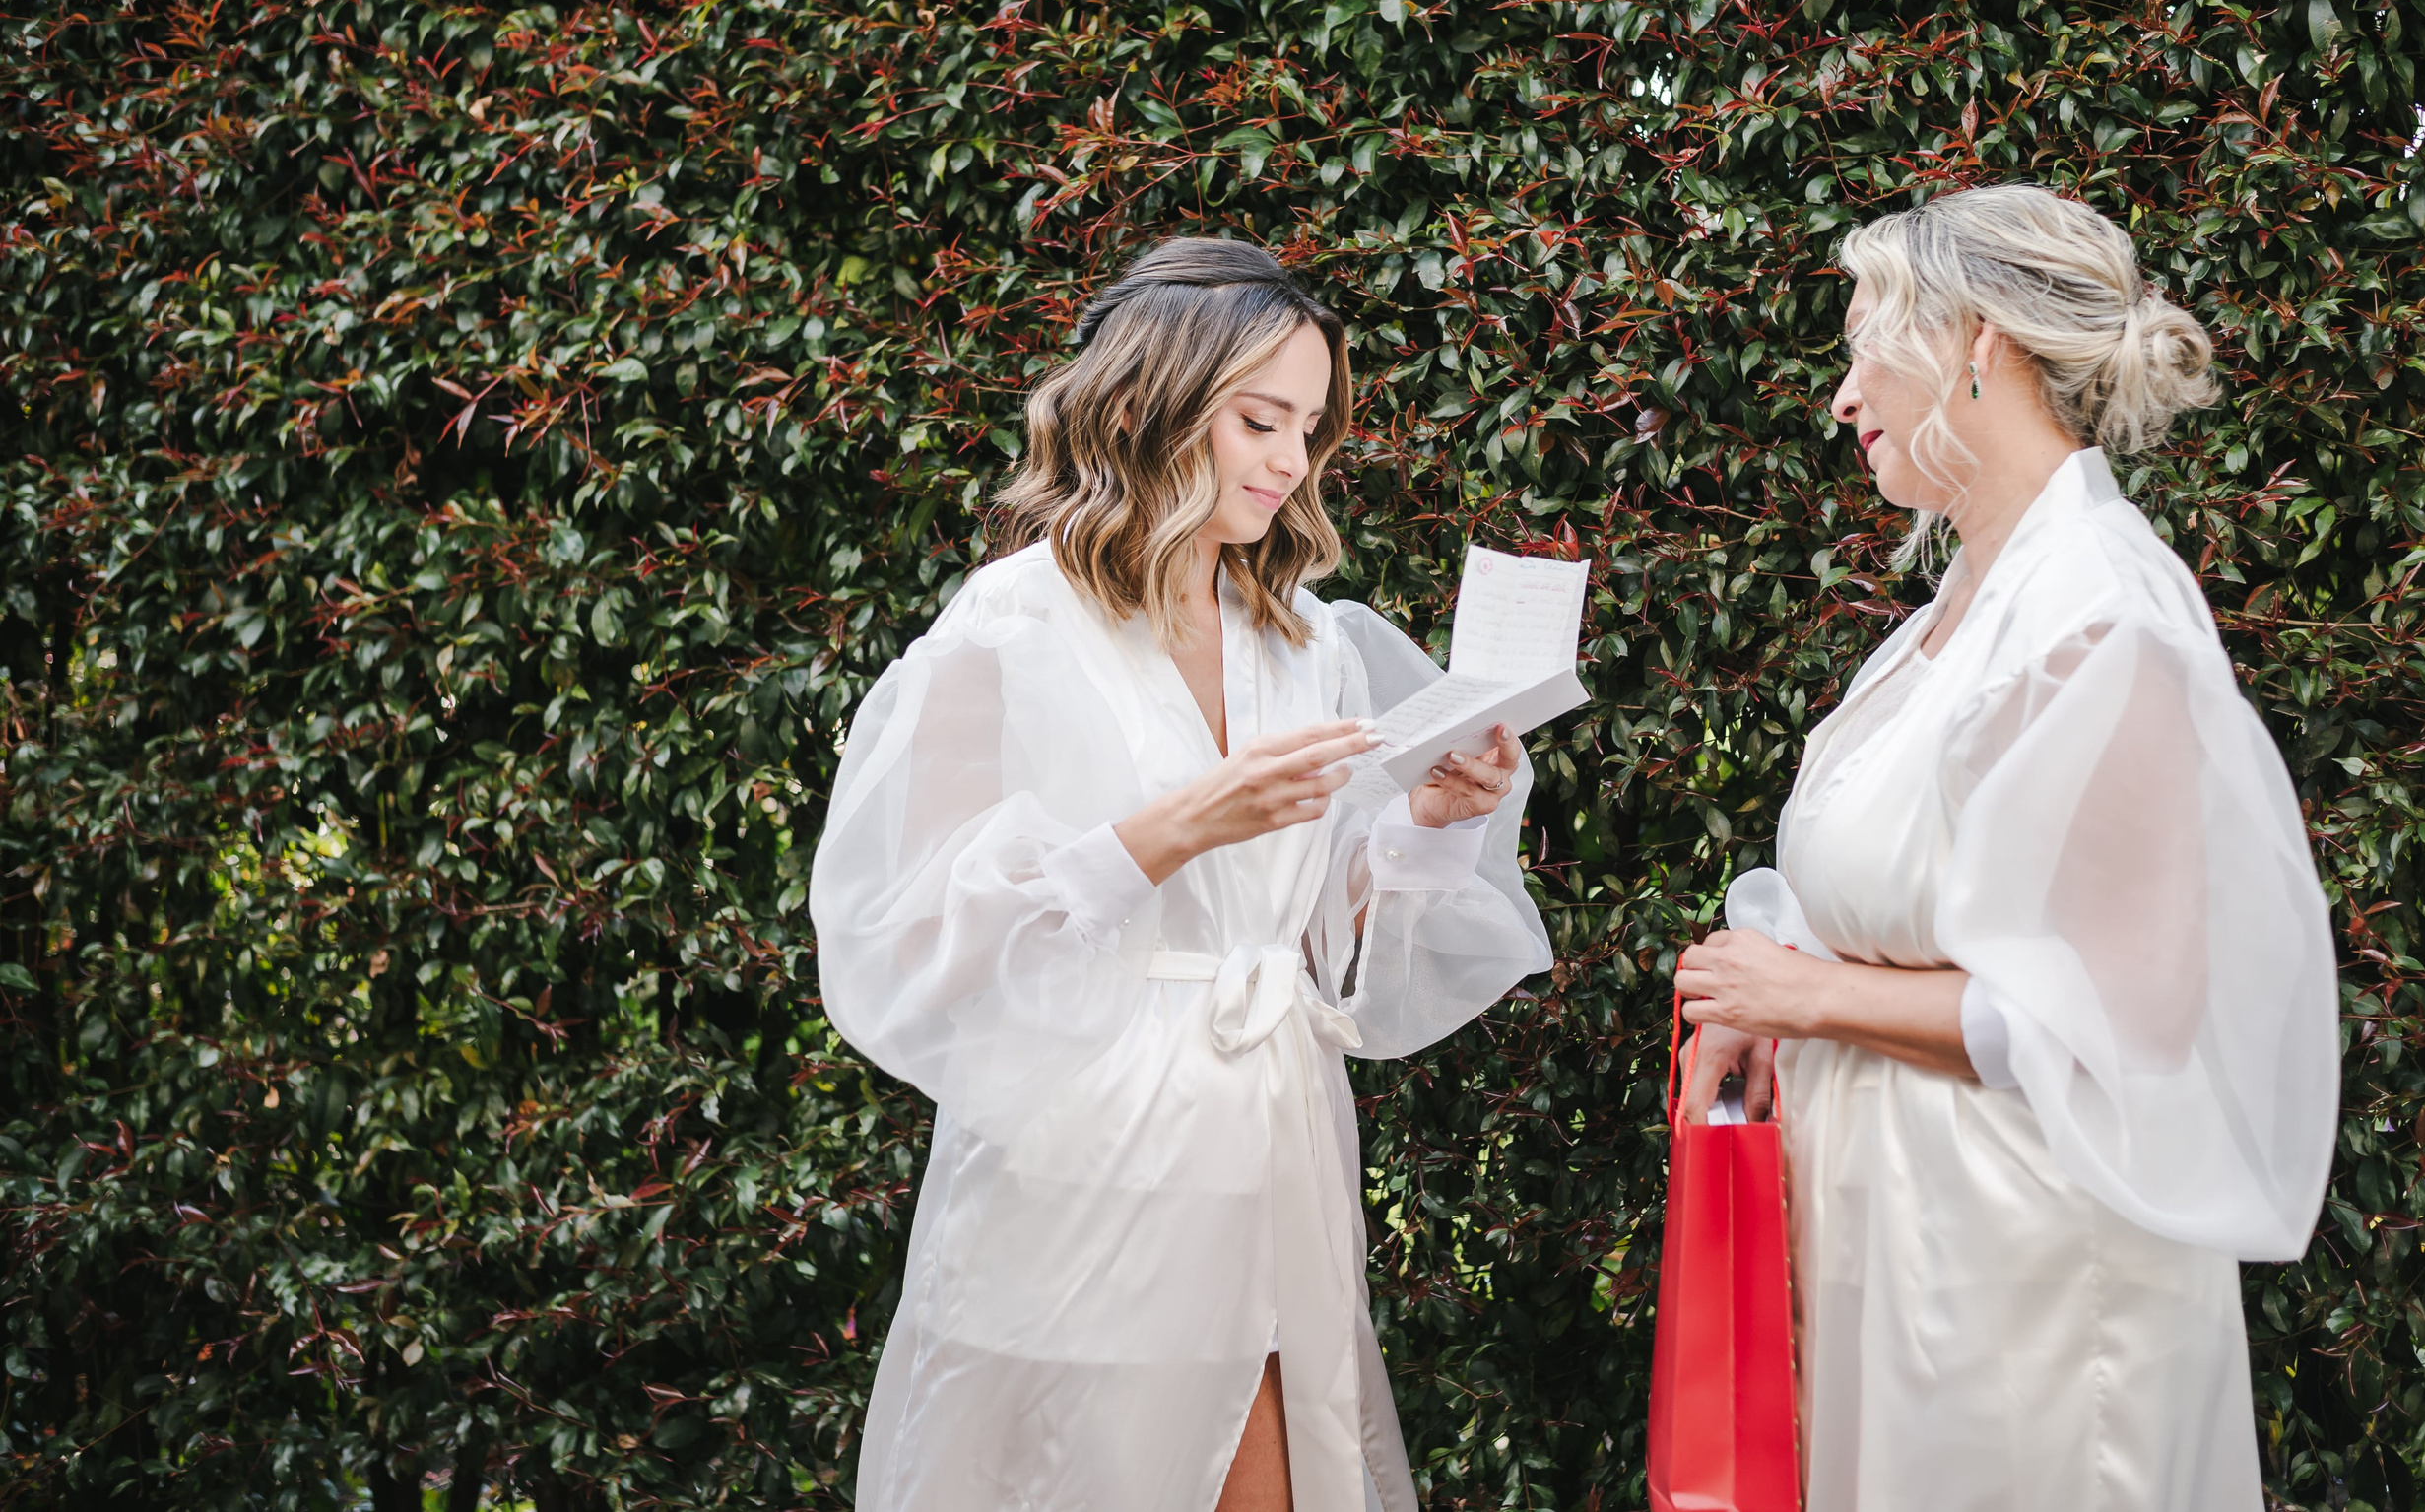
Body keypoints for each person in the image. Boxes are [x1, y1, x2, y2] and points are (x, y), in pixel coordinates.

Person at [807, 237, 1554, 1512]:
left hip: (1270, 1143)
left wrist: (1424, 818)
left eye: (1309, 429)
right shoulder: (1010, 627)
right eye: (1260, 419)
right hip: (1081, 1165)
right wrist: (1171, 827)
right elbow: (908, 929)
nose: (1287, 461)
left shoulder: (1303, 637)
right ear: (1150, 402)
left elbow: (1315, 932)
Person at [1674, 184, 2339, 1510]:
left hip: (2033, 1281)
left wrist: (1807, 996)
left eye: (1870, 342)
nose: (1844, 395)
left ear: (1978, 343)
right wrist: (1771, 1006)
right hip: (1913, 1242)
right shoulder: (1962, 608)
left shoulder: (2098, 613)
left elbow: (2134, 1015)